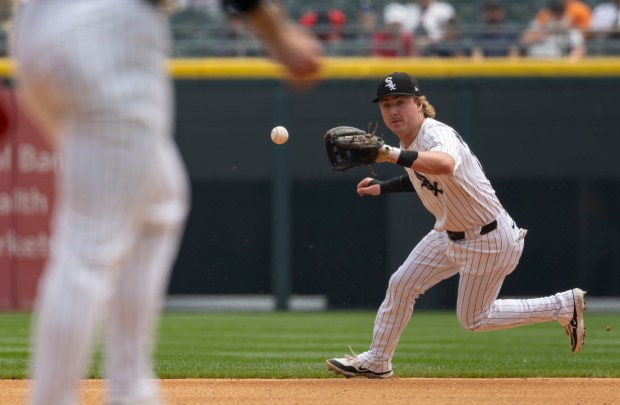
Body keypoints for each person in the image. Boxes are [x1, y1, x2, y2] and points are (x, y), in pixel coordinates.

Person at [11, 0, 322, 404]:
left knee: (160, 201)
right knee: (89, 243)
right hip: (106, 32)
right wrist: (277, 33)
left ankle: (130, 389)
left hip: (40, 30)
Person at [326, 71, 586, 379]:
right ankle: (378, 361)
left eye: (401, 102)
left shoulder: (436, 134)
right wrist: (382, 187)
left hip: (487, 239)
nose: (393, 110)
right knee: (402, 284)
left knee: (474, 320)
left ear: (419, 104)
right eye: (386, 105)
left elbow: (445, 164)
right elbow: (424, 176)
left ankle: (562, 305)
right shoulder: (408, 142)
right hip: (448, 234)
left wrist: (390, 155)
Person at [521, 0, 586, 60]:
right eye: (554, 13)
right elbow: (524, 39)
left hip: (556, 65)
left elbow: (578, 49)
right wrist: (546, 32)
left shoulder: (571, 31)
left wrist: (569, 63)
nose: (557, 16)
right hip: (533, 62)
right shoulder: (540, 24)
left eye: (559, 14)